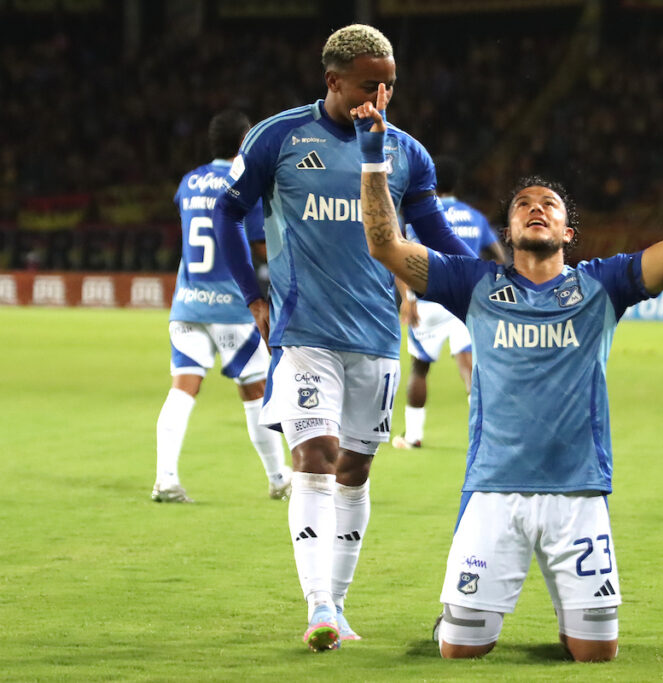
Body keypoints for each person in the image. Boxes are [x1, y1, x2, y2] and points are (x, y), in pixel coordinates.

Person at [356, 78, 663, 661]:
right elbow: (384, 244)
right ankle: (456, 619)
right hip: (493, 490)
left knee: (595, 653)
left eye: (549, 205)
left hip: (578, 492)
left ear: (567, 232)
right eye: (523, 204)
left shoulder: (604, 285)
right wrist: (373, 158)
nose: (536, 208)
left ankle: (565, 618)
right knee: (460, 651)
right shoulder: (473, 284)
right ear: (507, 232)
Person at [211, 25, 475, 651]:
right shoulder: (278, 137)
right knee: (316, 454)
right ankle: (319, 607)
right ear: (332, 81)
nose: (381, 98)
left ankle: (341, 605)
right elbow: (228, 211)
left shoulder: (407, 154)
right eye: (368, 85)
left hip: (377, 335)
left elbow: (436, 234)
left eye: (390, 86)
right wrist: (253, 295)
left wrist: (491, 286)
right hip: (304, 332)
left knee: (354, 470)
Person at [153, 109, 290, 504]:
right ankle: (279, 479)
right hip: (234, 307)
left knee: (182, 389)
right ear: (245, 140)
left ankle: (165, 479)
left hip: (189, 304)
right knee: (255, 391)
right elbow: (260, 243)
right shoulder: (243, 179)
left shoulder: (189, 181)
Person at [392, 156, 506, 450]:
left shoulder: (420, 214)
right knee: (467, 362)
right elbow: (500, 257)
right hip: (466, 298)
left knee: (420, 367)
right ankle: (488, 432)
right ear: (458, 183)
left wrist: (407, 299)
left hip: (428, 299)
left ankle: (413, 436)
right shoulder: (474, 216)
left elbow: (400, 256)